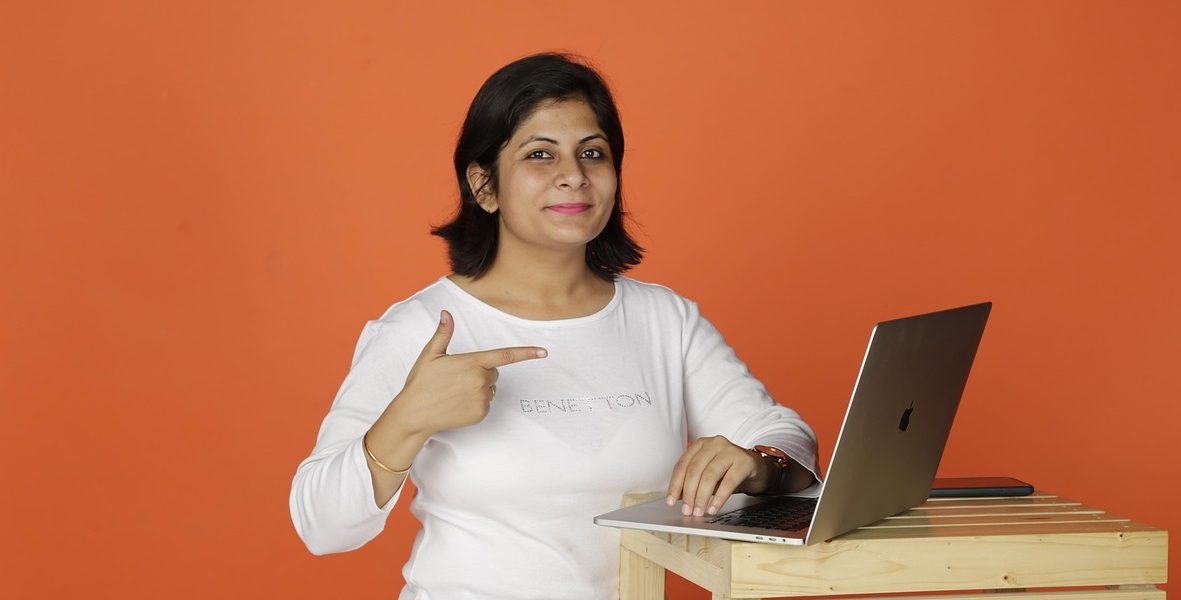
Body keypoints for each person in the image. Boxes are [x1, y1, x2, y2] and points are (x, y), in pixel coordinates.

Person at [289, 52, 819, 599]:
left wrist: (759, 464)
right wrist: (406, 419)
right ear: (484, 186)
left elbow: (788, 440)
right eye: (540, 154)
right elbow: (320, 526)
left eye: (592, 152)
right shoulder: (419, 328)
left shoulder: (665, 320)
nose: (574, 175)